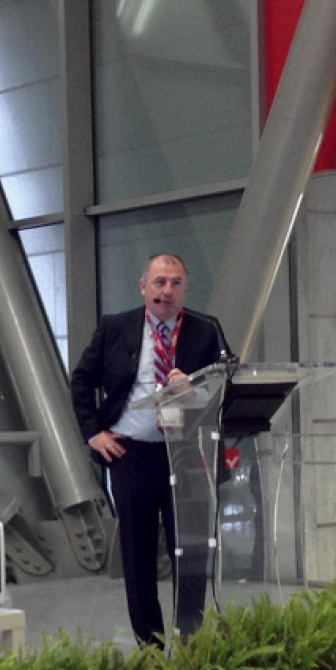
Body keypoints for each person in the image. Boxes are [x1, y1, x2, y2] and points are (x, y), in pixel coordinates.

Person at [70, 253, 231, 645]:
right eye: (159, 282)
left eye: (176, 283)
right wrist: (94, 434)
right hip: (132, 455)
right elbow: (81, 381)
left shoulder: (206, 329)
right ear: (143, 286)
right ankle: (151, 647)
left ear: (186, 288)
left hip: (187, 453)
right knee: (138, 555)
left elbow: (228, 387)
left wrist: (195, 391)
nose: (167, 291)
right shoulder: (116, 327)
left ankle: (191, 641)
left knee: (190, 553)